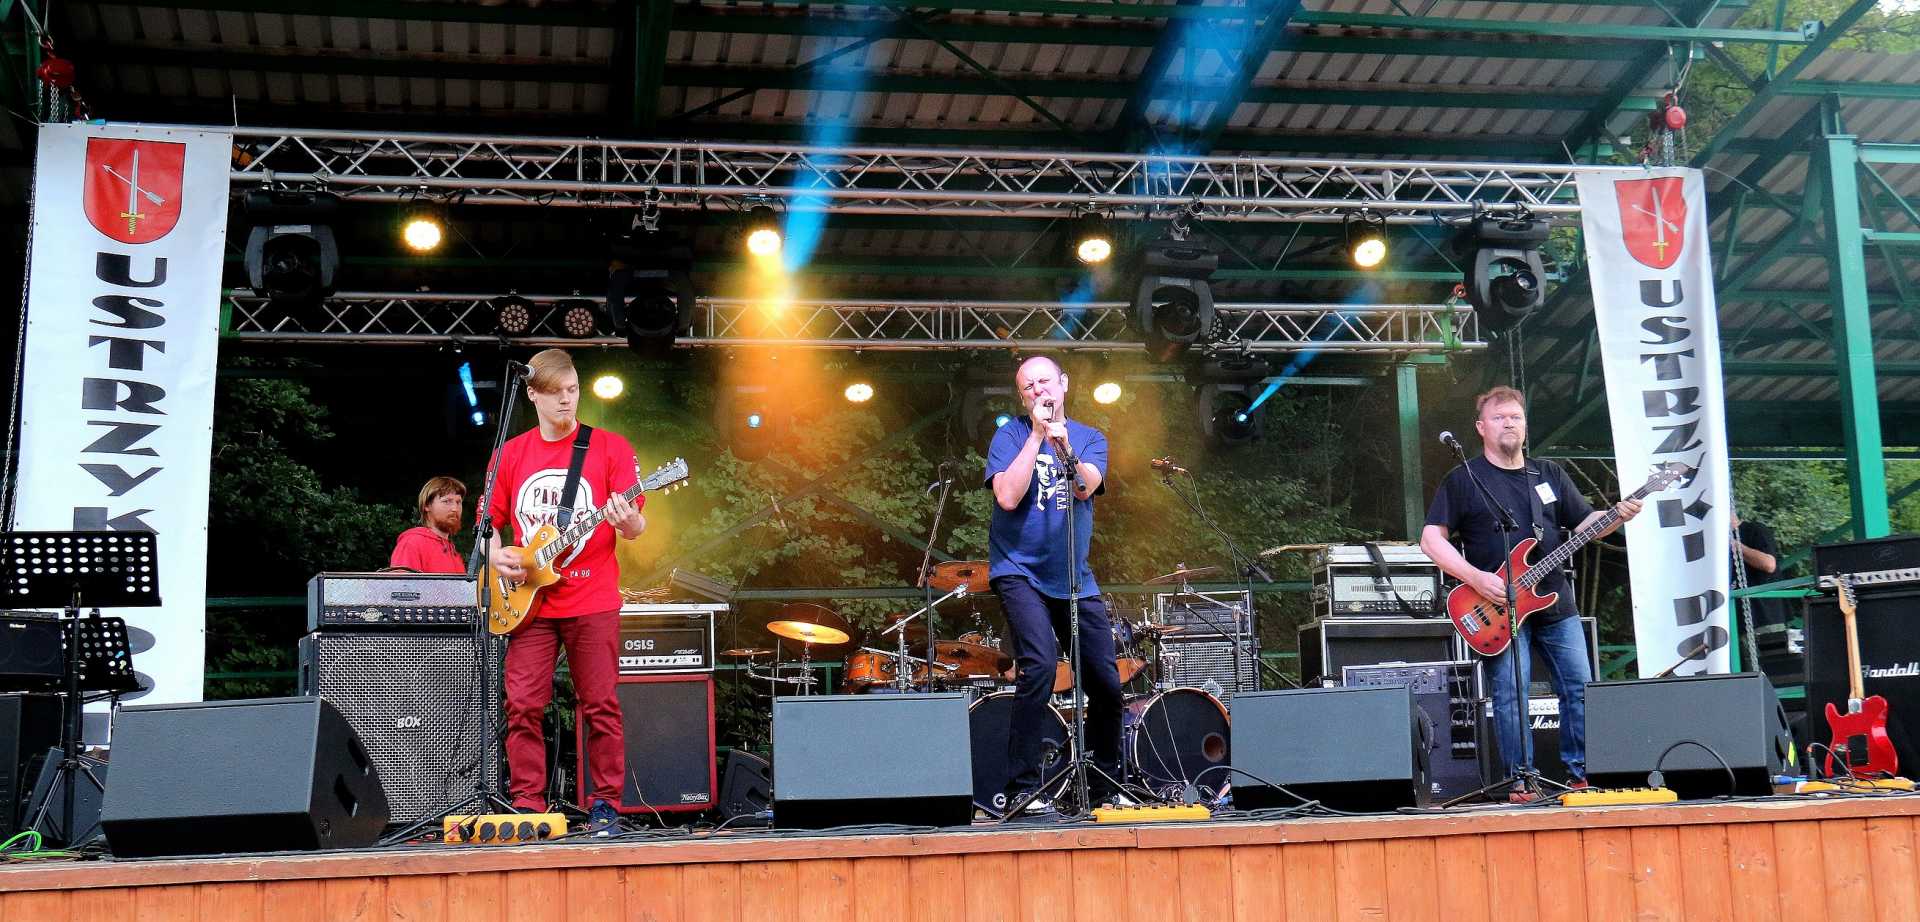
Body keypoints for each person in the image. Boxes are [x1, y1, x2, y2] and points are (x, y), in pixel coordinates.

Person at [1419, 385, 1642, 803]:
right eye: (1499, 417)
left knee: (1580, 686)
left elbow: (1585, 524)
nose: (1509, 423)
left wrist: (1616, 515)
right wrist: (1475, 578)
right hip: (1496, 604)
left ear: (1525, 425)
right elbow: (1431, 539)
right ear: (1481, 427)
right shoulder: (1464, 478)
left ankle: (1582, 775)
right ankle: (1521, 780)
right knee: (1510, 694)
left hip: (1555, 600)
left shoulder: (1548, 474)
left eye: (1516, 417)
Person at [486, 349, 646, 834]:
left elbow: (636, 526)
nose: (566, 400)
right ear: (532, 394)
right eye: (555, 393)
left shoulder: (610, 448)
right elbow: (488, 525)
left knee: (600, 704)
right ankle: (528, 804)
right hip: (527, 599)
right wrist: (496, 556)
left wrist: (628, 521)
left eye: (573, 390)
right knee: (522, 705)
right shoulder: (511, 453)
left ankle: (605, 805)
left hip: (592, 598)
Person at [984, 355, 1128, 815]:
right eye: (1028, 387)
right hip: (1018, 571)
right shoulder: (1010, 435)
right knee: (1041, 666)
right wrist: (1036, 436)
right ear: (1022, 396)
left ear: (1063, 384)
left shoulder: (1090, 438)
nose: (1038, 391)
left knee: (1106, 682)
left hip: (1074, 579)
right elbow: (1007, 497)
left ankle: (1104, 786)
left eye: (1044, 381)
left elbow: (1086, 486)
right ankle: (1023, 788)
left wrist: (1063, 446)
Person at [388, 476, 468, 573]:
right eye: (447, 501)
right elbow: (401, 583)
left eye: (458, 502)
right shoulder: (411, 543)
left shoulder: (454, 553)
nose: (455, 508)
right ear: (427, 505)